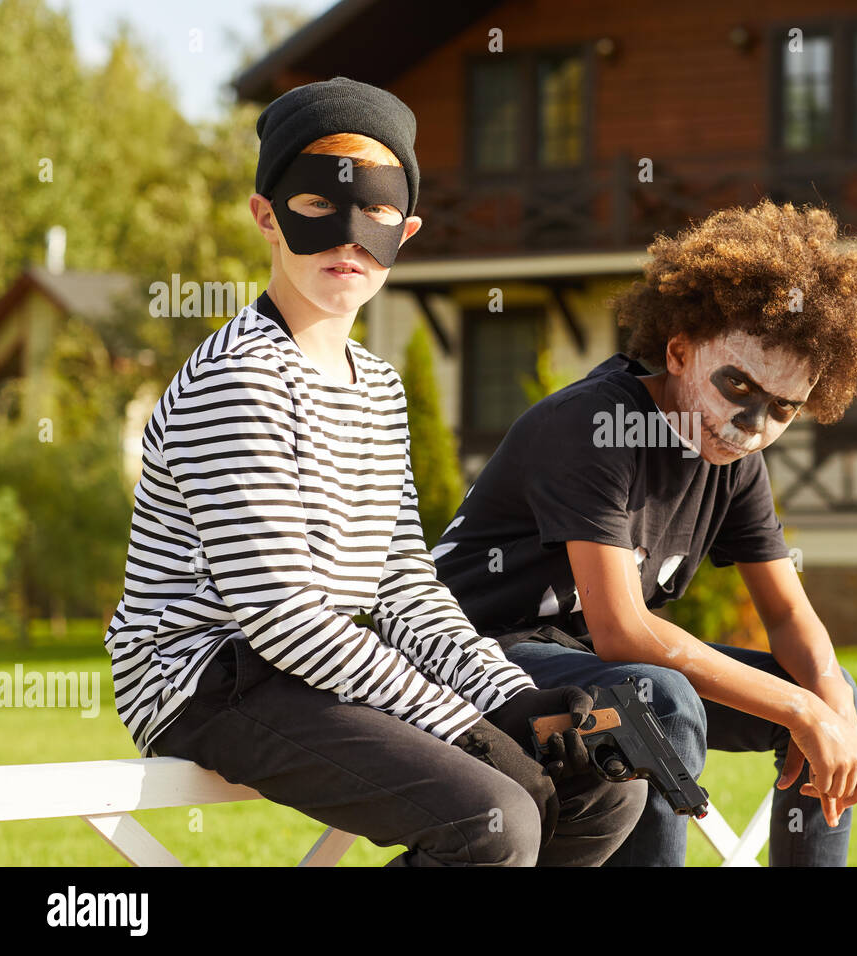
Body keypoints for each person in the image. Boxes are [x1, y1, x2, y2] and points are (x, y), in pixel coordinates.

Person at [103, 76, 645, 867]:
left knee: (604, 790)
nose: (349, 239)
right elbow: (281, 613)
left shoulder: (378, 384)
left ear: (408, 229)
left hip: (304, 663)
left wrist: (514, 699)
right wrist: (462, 727)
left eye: (378, 214)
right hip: (206, 676)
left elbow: (401, 583)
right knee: (493, 818)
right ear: (266, 215)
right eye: (318, 208)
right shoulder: (239, 379)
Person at [433, 198, 857, 866]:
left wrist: (829, 707)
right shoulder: (592, 425)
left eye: (783, 409)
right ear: (679, 349)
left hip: (588, 676)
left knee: (828, 692)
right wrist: (801, 713)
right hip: (468, 663)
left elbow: (788, 615)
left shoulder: (733, 456)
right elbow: (623, 633)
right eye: (737, 383)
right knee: (656, 702)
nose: (753, 423)